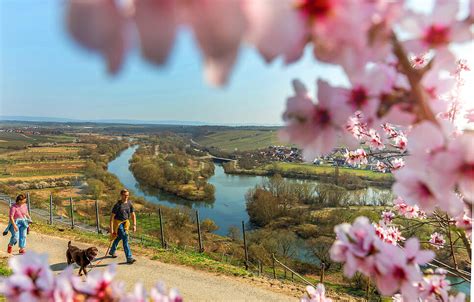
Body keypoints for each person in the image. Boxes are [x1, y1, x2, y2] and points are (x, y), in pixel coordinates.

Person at [109, 189, 136, 264]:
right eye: (125, 195)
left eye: (127, 195)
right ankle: (129, 257)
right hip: (118, 223)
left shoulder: (129, 203)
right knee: (125, 237)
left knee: (119, 237)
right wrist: (111, 230)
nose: (126, 197)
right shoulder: (117, 205)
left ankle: (112, 251)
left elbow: (133, 215)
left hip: (126, 223)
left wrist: (134, 225)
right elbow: (111, 218)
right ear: (121, 195)